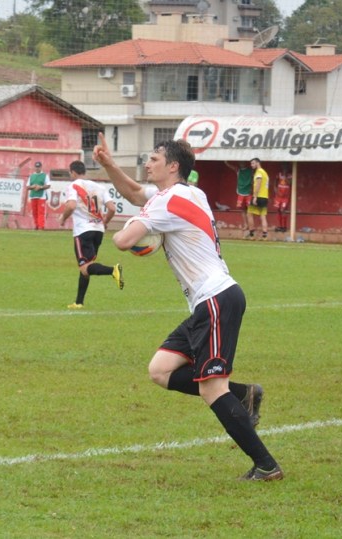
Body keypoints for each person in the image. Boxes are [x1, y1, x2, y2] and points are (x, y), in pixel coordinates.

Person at [94, 133, 283, 481]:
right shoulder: (190, 193)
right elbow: (137, 194)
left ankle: (266, 465)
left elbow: (122, 241)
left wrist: (140, 233)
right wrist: (108, 165)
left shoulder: (167, 203)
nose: (148, 163)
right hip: (211, 302)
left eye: (154, 158)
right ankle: (245, 394)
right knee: (161, 370)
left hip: (215, 299)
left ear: (173, 166)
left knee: (212, 388)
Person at [60, 160, 123, 309]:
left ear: (73, 172)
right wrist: (105, 221)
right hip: (98, 231)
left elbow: (71, 205)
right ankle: (79, 302)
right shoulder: (100, 187)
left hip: (83, 230)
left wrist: (63, 218)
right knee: (87, 267)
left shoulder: (73, 185)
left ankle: (113, 270)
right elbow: (112, 208)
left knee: (84, 267)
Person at [224, 161, 253, 236]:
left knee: (249, 211)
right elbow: (232, 167)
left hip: (248, 193)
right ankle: (245, 224)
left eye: (242, 162)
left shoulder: (250, 170)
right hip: (240, 192)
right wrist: (226, 162)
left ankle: (251, 227)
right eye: (240, 163)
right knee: (242, 210)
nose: (241, 164)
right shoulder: (238, 170)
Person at [248, 157, 270, 240]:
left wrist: (255, 197)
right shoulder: (265, 172)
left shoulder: (259, 172)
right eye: (251, 164)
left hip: (259, 196)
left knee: (249, 214)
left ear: (258, 163)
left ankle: (251, 234)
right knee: (263, 215)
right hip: (265, 196)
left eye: (253, 163)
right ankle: (265, 235)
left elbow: (258, 184)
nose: (251, 165)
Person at [26, 161, 51, 230]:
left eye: (38, 167)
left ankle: (41, 226)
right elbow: (27, 187)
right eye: (36, 167)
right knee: (34, 212)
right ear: (34, 167)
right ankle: (36, 225)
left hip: (41, 196)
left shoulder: (45, 176)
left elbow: (48, 185)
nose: (37, 168)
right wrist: (33, 186)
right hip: (33, 195)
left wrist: (40, 187)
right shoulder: (31, 176)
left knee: (41, 212)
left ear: (41, 167)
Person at [273, 167, 292, 232]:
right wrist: (275, 188)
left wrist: (285, 176)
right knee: (278, 210)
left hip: (285, 197)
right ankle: (280, 226)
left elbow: (289, 183)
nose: (284, 170)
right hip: (278, 196)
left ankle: (284, 227)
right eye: (283, 168)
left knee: (283, 210)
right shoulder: (279, 174)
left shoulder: (290, 175)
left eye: (285, 168)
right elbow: (275, 180)